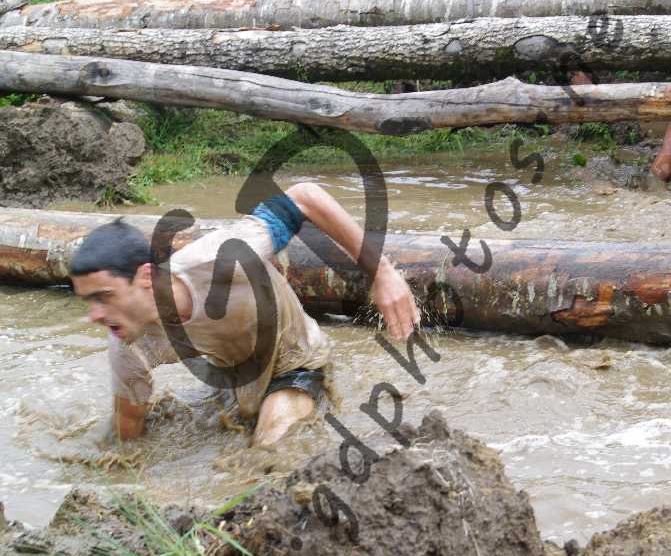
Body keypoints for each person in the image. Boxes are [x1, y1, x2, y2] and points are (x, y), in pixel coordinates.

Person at [70, 182, 420, 446]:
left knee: (269, 451)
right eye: (88, 301)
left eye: (104, 297)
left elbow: (305, 196)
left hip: (296, 363)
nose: (94, 315)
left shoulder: (221, 258)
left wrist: (381, 273)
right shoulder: (126, 343)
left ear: (147, 277)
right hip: (233, 381)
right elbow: (128, 434)